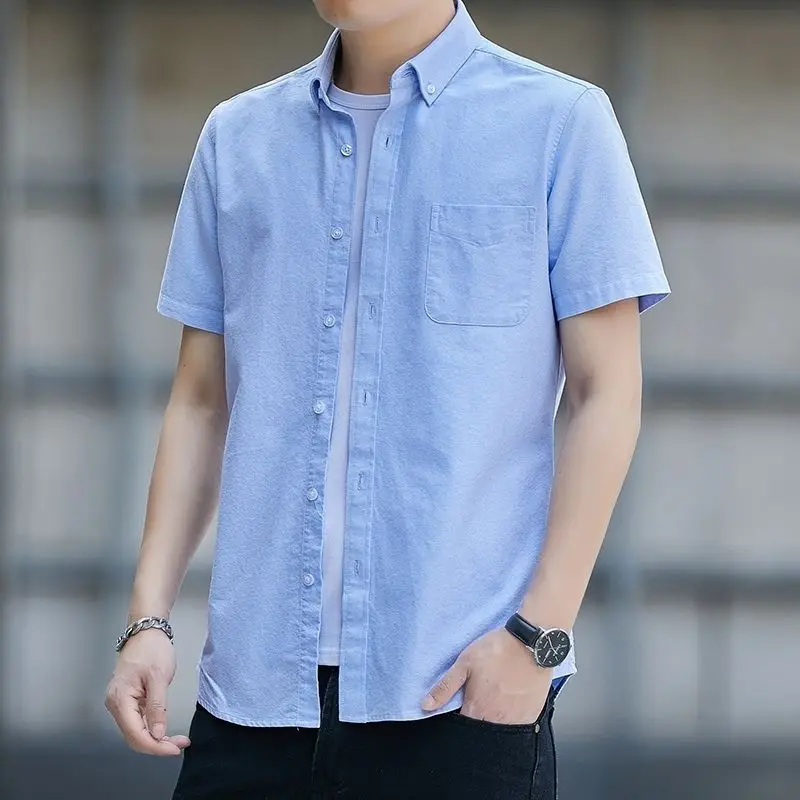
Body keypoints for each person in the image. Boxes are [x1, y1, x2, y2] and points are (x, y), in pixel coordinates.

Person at [104, 1, 670, 797]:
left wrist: (537, 639)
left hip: (457, 695)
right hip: (254, 696)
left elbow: (606, 395)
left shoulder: (559, 124)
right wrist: (148, 617)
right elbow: (201, 401)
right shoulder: (237, 138)